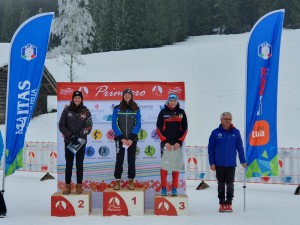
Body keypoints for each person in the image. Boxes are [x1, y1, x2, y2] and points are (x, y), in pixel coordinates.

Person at [208, 112, 247, 212]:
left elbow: (240, 148)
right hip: (219, 164)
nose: (228, 121)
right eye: (226, 119)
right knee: (221, 184)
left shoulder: (236, 132)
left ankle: (229, 203)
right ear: (221, 120)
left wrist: (243, 161)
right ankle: (221, 203)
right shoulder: (215, 133)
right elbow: (211, 149)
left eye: (230, 119)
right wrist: (212, 162)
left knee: (230, 185)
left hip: (230, 164)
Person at [59, 91, 93, 195]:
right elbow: (61, 125)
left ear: (81, 99)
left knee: (79, 164)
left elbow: (89, 127)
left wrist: (78, 135)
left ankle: (79, 186)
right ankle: (68, 186)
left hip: (81, 142)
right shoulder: (66, 110)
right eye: (75, 98)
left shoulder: (86, 111)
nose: (77, 99)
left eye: (79, 98)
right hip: (69, 141)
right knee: (69, 164)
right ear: (73, 99)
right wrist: (70, 135)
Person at [156, 93, 188, 196]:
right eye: (171, 100)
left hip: (177, 144)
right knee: (164, 166)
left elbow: (185, 129)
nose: (173, 102)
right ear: (168, 101)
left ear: (177, 101)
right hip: (166, 144)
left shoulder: (181, 112)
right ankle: (164, 188)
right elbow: (158, 129)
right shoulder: (163, 112)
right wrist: (165, 142)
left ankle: (174, 188)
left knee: (176, 165)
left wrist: (179, 142)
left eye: (174, 100)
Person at [112, 88, 141, 190]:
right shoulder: (117, 108)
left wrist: (131, 138)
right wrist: (121, 138)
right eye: (125, 95)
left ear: (131, 96)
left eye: (129, 94)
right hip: (121, 140)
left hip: (132, 140)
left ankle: (131, 180)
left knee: (131, 160)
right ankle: (117, 181)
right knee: (119, 160)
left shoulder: (136, 108)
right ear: (123, 96)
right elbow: (114, 124)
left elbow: (138, 124)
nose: (127, 96)